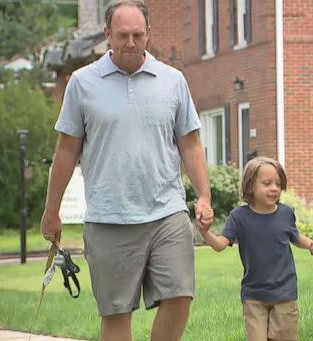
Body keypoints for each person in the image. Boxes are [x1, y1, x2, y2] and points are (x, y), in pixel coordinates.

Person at [39, 1, 213, 340]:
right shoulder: (83, 84)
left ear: (149, 34)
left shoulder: (173, 81)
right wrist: (51, 211)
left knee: (179, 296)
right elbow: (65, 152)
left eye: (137, 35)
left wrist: (204, 195)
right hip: (109, 218)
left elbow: (190, 144)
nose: (130, 43)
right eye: (122, 36)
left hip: (167, 212)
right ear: (107, 35)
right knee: (116, 313)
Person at [197, 156, 313, 341]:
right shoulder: (238, 217)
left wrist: (311, 245)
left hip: (285, 293)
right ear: (250, 186)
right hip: (253, 295)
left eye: (278, 184)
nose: (274, 188)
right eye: (267, 183)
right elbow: (220, 245)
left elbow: (294, 237)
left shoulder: (286, 213)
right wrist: (206, 232)